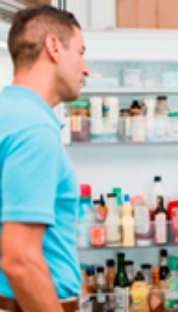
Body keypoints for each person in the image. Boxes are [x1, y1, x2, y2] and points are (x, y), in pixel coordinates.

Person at [0, 5, 89, 312]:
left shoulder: (7, 115)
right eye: (80, 52)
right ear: (53, 47)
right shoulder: (34, 129)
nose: (86, 67)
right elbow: (20, 260)